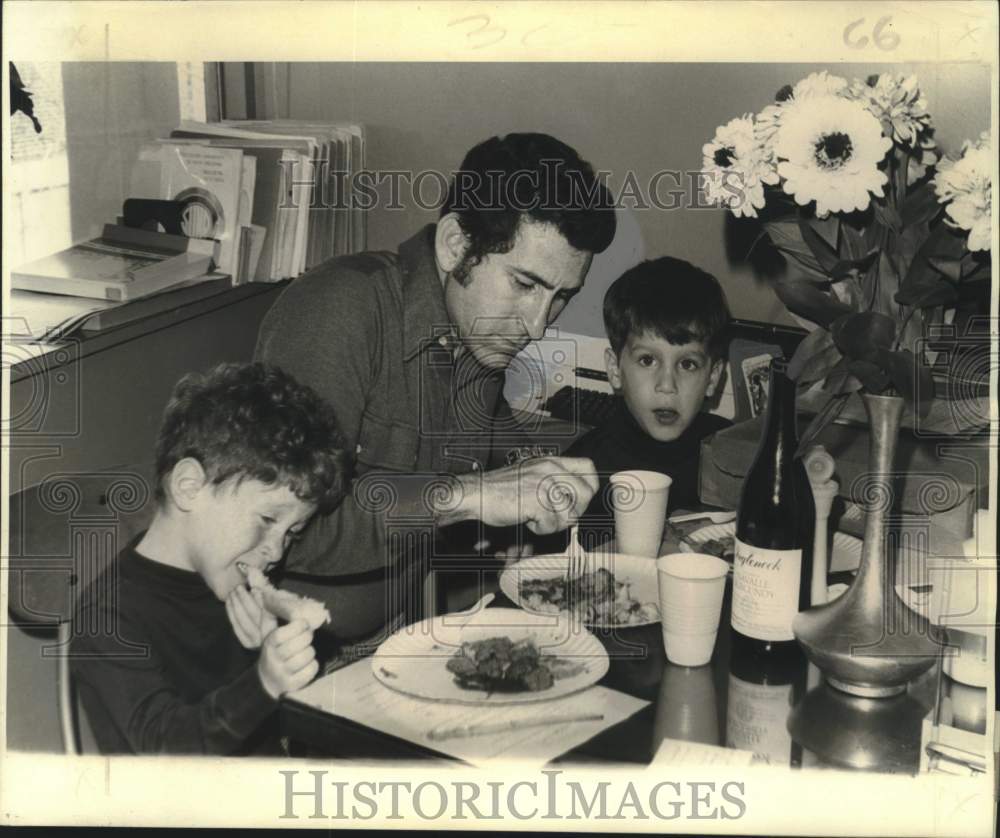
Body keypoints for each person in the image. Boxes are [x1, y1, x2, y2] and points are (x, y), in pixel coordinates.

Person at [255, 132, 616, 645]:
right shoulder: (338, 310)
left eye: (561, 297)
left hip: (399, 635)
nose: (537, 325)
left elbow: (490, 450)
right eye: (524, 284)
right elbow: (285, 528)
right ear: (455, 246)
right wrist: (469, 495)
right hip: (289, 657)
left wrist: (551, 478)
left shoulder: (476, 330)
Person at [71, 362, 350, 755]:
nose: (276, 550)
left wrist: (270, 653)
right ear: (189, 487)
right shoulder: (108, 616)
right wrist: (263, 683)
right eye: (268, 519)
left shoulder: (233, 581)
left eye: (293, 531)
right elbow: (162, 745)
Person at [560, 257, 733, 548]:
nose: (667, 385)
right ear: (615, 369)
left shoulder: (729, 454)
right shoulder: (584, 471)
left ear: (713, 377)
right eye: (647, 360)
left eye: (688, 364)